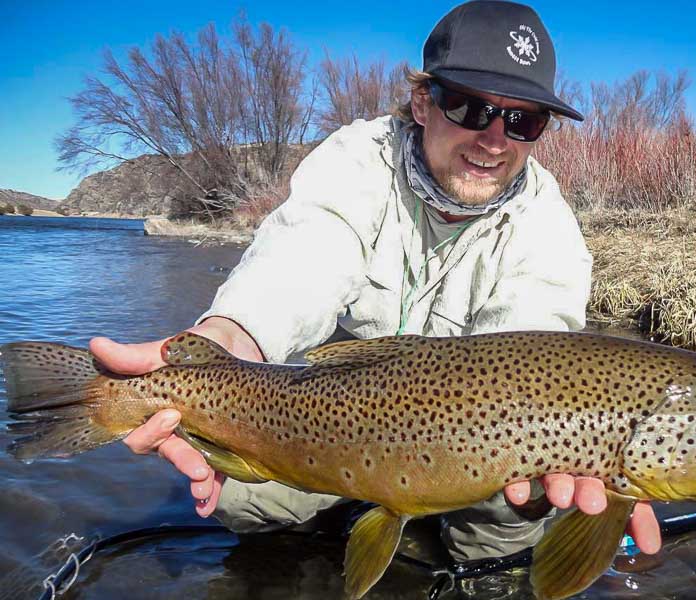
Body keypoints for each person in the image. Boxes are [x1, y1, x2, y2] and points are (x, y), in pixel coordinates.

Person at [91, 0, 661, 564]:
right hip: (336, 420)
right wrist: (228, 340)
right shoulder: (358, 161)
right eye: (469, 107)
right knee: (237, 496)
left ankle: (468, 556)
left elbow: (530, 362)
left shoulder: (547, 223)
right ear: (422, 100)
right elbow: (301, 261)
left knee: (520, 502)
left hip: (468, 446)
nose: (494, 139)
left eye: (523, 120)